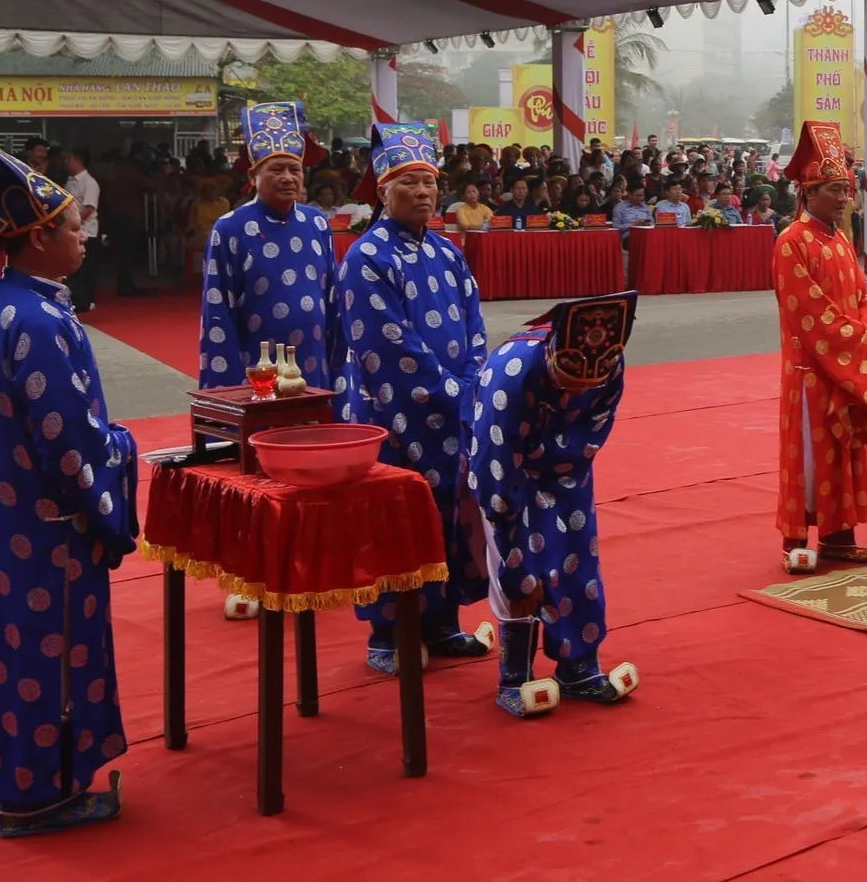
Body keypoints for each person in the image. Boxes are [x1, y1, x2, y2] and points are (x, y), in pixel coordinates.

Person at [0, 136, 138, 837]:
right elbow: (69, 441)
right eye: (72, 228)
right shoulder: (38, 319)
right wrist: (120, 457)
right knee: (52, 652)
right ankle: (42, 796)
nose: (83, 239)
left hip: (11, 522)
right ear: (39, 237)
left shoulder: (3, 303)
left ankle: (8, 778)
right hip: (53, 529)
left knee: (12, 648)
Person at [337, 124, 491, 672]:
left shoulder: (448, 253)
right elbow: (387, 346)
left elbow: (475, 327)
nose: (424, 192)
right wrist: (453, 395)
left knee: (445, 516)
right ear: (383, 191)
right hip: (394, 417)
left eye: (429, 181)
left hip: (452, 413)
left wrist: (472, 386)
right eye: (409, 182)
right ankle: (388, 635)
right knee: (395, 524)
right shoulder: (366, 257)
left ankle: (442, 623)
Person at [197, 104, 346, 606]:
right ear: (253, 174)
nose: (287, 177)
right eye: (275, 169)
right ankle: (254, 573)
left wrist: (337, 371)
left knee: (315, 471)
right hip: (258, 379)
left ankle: (315, 561)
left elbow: (332, 302)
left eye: (295, 169)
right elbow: (218, 310)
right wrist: (226, 389)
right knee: (260, 478)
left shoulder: (318, 225)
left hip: (313, 375)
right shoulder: (230, 229)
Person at [467, 293, 642, 716]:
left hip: (568, 467)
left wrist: (562, 467)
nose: (576, 391)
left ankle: (577, 666)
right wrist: (517, 564)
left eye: (586, 386)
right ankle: (515, 676)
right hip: (505, 466)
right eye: (567, 383)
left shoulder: (610, 364)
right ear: (551, 355)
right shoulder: (511, 372)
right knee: (517, 572)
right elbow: (495, 467)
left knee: (577, 556)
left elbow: (594, 429)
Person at [772, 121, 867, 571]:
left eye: (847, 190)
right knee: (810, 453)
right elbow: (807, 315)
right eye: (836, 190)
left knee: (844, 450)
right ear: (808, 192)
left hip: (847, 362)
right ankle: (796, 537)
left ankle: (840, 536)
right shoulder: (791, 243)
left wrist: (860, 336)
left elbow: (862, 295)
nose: (845, 199)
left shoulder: (840, 238)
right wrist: (856, 341)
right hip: (812, 373)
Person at [62, 149, 101, 313]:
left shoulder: (89, 182)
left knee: (86, 268)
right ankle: (76, 298)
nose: (65, 163)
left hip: (86, 231)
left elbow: (89, 208)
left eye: (68, 159)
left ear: (77, 160)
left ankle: (87, 300)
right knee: (73, 268)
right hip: (72, 231)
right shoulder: (70, 181)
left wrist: (74, 225)